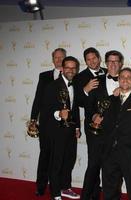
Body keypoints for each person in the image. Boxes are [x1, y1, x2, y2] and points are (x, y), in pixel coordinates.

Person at [98, 68, 131, 200]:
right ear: (118, 79)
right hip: (110, 152)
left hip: (130, 152)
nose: (125, 79)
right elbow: (106, 125)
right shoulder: (109, 100)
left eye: (128, 77)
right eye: (122, 77)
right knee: (109, 189)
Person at [81, 50, 124, 200]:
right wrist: (93, 115)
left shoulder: (126, 80)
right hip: (97, 133)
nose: (112, 64)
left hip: (117, 134)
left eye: (116, 61)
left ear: (121, 63)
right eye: (110, 61)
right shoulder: (96, 81)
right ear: (105, 63)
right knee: (93, 167)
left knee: (113, 171)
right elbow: (88, 105)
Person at [28, 48, 66, 196]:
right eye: (56, 57)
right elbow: (38, 99)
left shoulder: (71, 75)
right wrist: (33, 119)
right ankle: (41, 185)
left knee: (60, 158)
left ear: (65, 58)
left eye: (61, 57)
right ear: (52, 59)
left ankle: (59, 187)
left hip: (63, 124)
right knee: (45, 155)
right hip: (45, 124)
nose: (58, 60)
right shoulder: (44, 76)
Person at [42, 56, 81, 200]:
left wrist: (76, 127)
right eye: (68, 67)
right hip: (56, 130)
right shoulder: (52, 86)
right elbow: (45, 110)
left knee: (69, 160)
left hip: (70, 130)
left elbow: (75, 108)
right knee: (56, 162)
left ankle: (65, 187)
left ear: (76, 70)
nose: (70, 70)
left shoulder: (75, 85)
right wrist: (59, 113)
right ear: (62, 69)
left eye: (73, 68)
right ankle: (55, 192)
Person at [74, 47, 107, 200]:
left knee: (107, 163)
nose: (92, 61)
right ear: (85, 61)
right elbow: (78, 102)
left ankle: (101, 194)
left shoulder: (109, 72)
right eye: (88, 59)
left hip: (111, 125)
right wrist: (85, 90)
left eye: (94, 58)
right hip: (92, 125)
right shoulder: (80, 77)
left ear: (99, 58)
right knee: (94, 162)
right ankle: (86, 196)